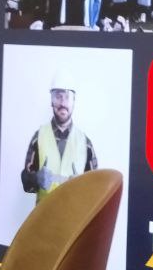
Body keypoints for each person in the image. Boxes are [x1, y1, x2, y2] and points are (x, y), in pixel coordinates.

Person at [19, 72, 98, 200]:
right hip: (46, 212)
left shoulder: (85, 143)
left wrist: (83, 186)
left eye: (67, 97)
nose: (63, 103)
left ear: (74, 101)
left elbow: (97, 187)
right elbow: (26, 182)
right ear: (51, 100)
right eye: (58, 97)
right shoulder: (38, 137)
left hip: (75, 213)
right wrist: (36, 178)